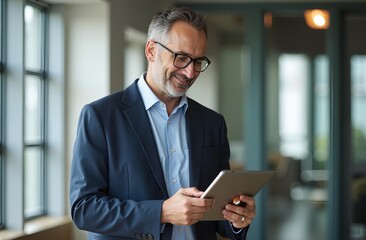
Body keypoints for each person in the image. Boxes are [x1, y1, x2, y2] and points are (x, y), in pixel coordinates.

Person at [70, 6, 256, 240]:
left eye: (198, 61)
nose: (190, 72)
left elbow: (218, 214)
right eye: (181, 58)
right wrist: (161, 212)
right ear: (151, 50)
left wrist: (238, 218)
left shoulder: (212, 123)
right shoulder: (100, 116)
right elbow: (84, 210)